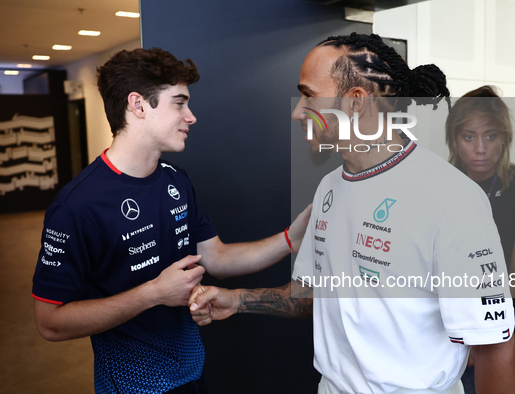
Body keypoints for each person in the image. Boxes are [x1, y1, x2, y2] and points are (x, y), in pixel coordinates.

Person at [189, 33, 515, 394]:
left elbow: (496, 347)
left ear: (354, 102)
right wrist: (236, 301)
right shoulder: (329, 188)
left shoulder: (451, 199)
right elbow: (312, 294)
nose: (297, 111)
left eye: (308, 95)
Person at [31, 47, 310, 394]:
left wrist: (291, 239)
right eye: (179, 103)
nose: (190, 116)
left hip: (192, 373)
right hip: (133, 386)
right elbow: (51, 323)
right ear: (138, 105)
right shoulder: (76, 206)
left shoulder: (175, 180)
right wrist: (153, 294)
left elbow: (217, 258)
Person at [445, 85, 515, 394]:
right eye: (469, 136)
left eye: (490, 136)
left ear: (504, 139)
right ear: (454, 140)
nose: (480, 149)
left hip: (505, 322)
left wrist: (481, 337)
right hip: (447, 320)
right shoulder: (437, 186)